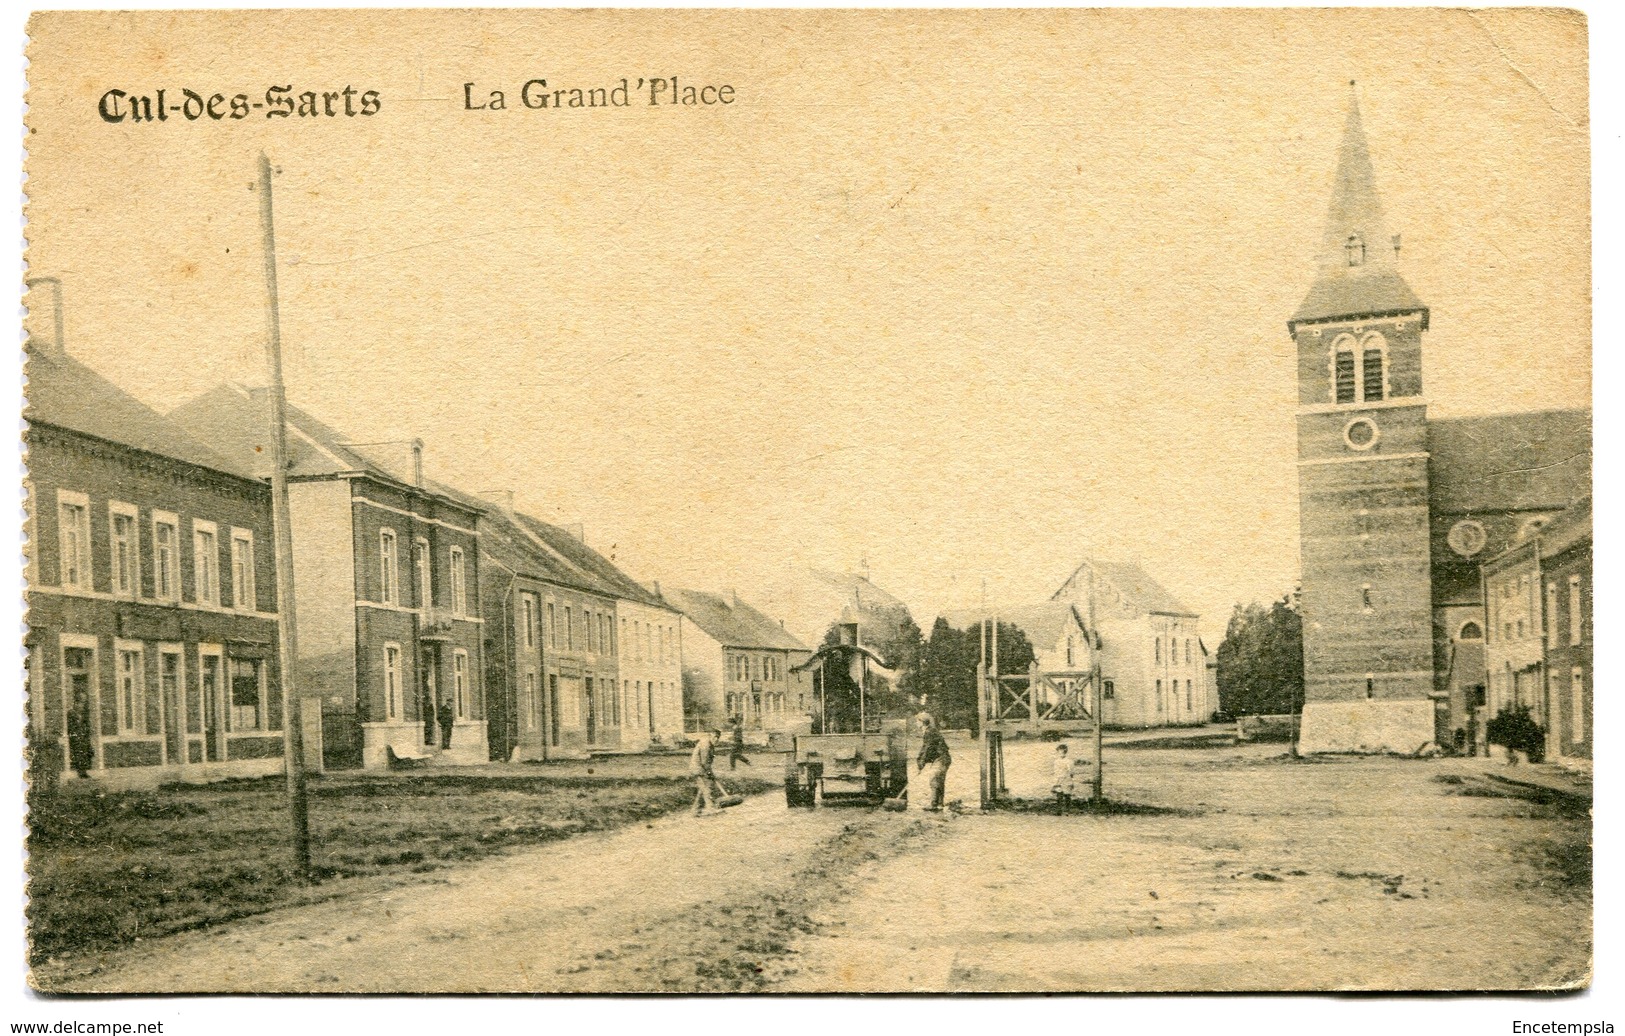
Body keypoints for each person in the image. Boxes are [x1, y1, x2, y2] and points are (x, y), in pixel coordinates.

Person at [916, 713, 951, 811]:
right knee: (938, 780)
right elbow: (926, 748)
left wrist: (921, 763)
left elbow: (928, 748)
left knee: (934, 779)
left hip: (941, 758)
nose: (916, 723)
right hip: (942, 758)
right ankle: (939, 804)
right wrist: (921, 762)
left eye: (917, 721)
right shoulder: (930, 730)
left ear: (922, 722)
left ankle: (934, 805)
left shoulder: (929, 732)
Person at [691, 728, 721, 816]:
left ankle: (695, 810)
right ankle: (711, 808)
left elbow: (708, 762)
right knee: (708, 787)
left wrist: (710, 773)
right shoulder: (706, 745)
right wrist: (709, 773)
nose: (716, 739)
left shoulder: (710, 745)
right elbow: (704, 762)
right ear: (710, 736)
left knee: (702, 789)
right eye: (715, 737)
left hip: (701, 769)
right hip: (698, 769)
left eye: (718, 737)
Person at [1052, 742, 1078, 813]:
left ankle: (1067, 810)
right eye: (1059, 752)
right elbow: (1055, 771)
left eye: (1063, 752)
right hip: (1058, 779)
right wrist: (1055, 781)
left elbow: (1071, 771)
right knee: (1059, 795)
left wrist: (1070, 778)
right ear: (1057, 752)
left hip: (1066, 778)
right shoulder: (1056, 761)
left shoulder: (1069, 761)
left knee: (1067, 795)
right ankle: (1059, 810)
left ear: (1065, 752)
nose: (1061, 754)